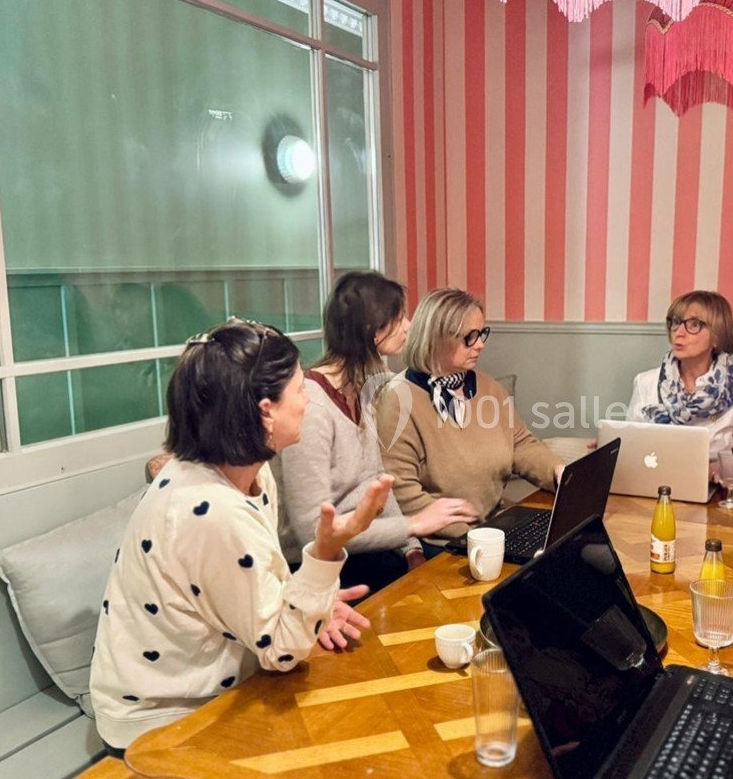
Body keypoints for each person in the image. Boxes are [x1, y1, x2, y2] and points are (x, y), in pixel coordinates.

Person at [90, 318, 390, 754]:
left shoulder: (247, 474)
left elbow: (252, 587)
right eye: (301, 388)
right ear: (266, 409)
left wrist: (310, 605)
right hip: (164, 719)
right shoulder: (213, 509)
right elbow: (282, 652)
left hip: (222, 685)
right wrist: (326, 554)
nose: (307, 400)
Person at [278, 273, 478, 586]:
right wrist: (413, 525)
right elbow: (314, 532)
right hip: (320, 565)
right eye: (398, 317)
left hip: (370, 547)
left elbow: (375, 483)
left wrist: (410, 549)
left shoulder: (366, 388)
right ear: (371, 330)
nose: (408, 325)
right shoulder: (312, 407)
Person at [376, 288, 563, 543]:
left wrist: (558, 471)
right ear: (436, 338)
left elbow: (520, 444)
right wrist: (470, 535)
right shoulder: (399, 399)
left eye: (482, 333)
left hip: (489, 529)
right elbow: (401, 490)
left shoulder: (488, 388)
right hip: (438, 542)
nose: (480, 344)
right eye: (470, 337)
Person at [628, 290, 733, 483]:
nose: (679, 332)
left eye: (694, 324)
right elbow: (632, 446)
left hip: (716, 498)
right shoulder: (646, 382)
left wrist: (718, 468)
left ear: (717, 336)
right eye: (676, 322)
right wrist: (615, 452)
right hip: (655, 489)